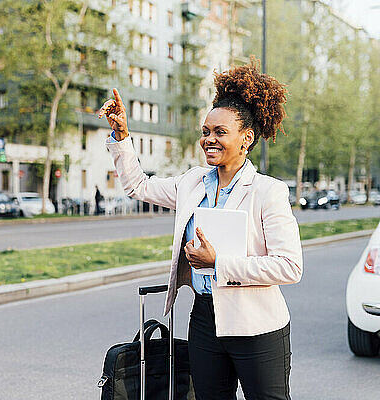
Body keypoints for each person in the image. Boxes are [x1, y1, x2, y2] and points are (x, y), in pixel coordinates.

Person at [98, 61, 302, 400]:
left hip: (258, 326)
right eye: (206, 131)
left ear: (246, 138)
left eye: (220, 132)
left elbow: (290, 266)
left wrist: (218, 263)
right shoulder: (191, 183)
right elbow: (137, 186)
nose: (209, 139)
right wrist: (122, 137)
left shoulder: (268, 191)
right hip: (205, 319)